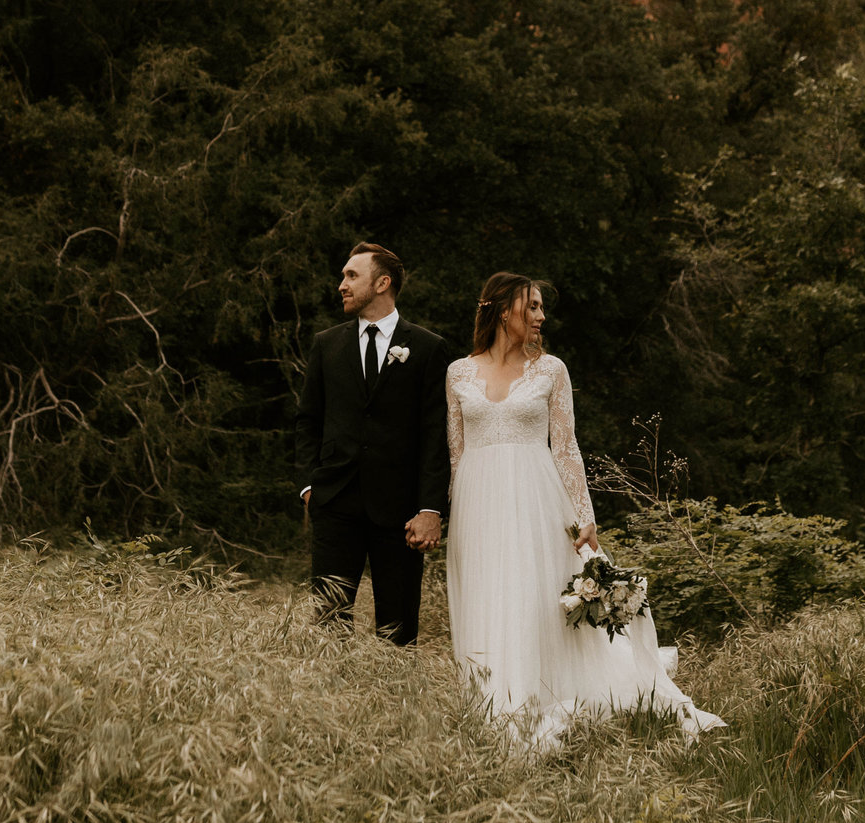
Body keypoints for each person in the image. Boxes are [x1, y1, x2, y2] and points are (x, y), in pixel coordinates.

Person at [442, 272, 723, 744]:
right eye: (530, 306)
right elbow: (456, 451)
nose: (540, 316)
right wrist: (455, 515)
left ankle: (535, 698)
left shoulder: (551, 369)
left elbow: (566, 447)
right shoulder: (457, 373)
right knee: (489, 596)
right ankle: (491, 704)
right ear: (502, 309)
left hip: (536, 500)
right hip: (478, 506)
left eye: (540, 307)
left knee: (533, 598)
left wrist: (584, 513)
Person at [296, 242, 456, 646]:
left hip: (401, 510)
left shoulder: (427, 347)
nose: (341, 285)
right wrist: (310, 487)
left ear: (382, 283)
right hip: (335, 502)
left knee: (398, 628)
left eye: (352, 276)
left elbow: (436, 433)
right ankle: (328, 702)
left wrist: (430, 508)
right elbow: (308, 421)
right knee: (328, 624)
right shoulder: (327, 344)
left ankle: (397, 701)